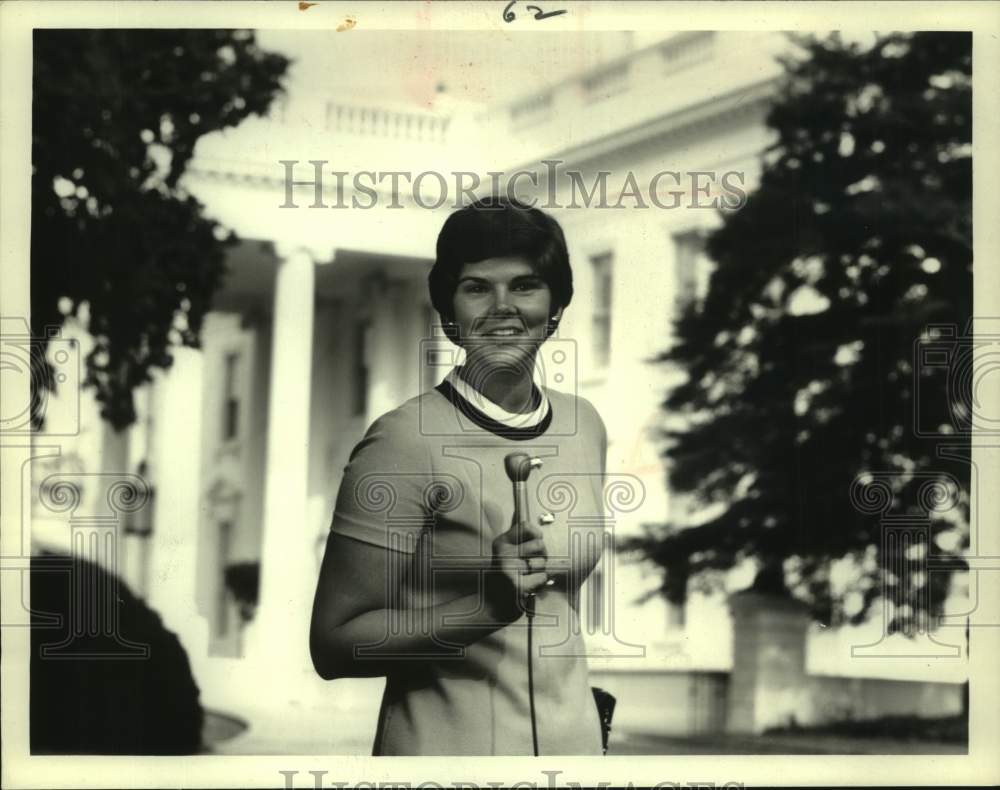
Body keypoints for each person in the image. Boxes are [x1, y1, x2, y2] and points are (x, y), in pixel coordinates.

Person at [309, 196, 608, 756]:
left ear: (557, 306)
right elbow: (333, 646)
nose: (503, 307)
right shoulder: (404, 440)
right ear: (448, 312)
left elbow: (558, 612)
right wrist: (485, 609)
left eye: (525, 285)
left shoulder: (584, 424)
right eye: (477, 287)